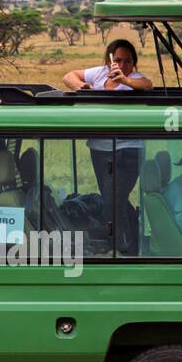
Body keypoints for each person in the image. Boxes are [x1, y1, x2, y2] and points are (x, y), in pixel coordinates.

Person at [62, 40, 153, 255]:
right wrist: (81, 87)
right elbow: (69, 76)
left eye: (128, 61)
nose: (123, 64)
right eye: (118, 60)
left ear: (134, 63)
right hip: (100, 148)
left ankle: (123, 248)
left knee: (113, 200)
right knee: (113, 198)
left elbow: (148, 85)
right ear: (109, 59)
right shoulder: (100, 73)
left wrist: (126, 80)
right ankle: (132, 238)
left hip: (128, 149)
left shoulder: (135, 79)